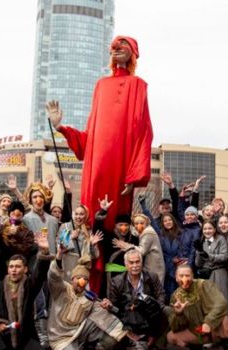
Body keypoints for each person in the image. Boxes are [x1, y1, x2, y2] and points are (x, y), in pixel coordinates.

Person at [45, 35, 153, 234]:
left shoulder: (137, 84)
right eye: (115, 45)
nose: (116, 47)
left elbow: (143, 132)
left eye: (123, 44)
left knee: (116, 219)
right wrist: (60, 127)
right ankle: (89, 251)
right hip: (96, 166)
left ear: (133, 52)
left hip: (121, 165)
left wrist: (133, 176)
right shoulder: (101, 85)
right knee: (91, 215)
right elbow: (89, 137)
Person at [47, 250, 135, 350]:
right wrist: (58, 257)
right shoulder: (62, 289)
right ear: (72, 279)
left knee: (99, 318)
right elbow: (54, 277)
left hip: (77, 332)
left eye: (85, 279)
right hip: (60, 336)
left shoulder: (88, 297)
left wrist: (109, 307)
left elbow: (103, 313)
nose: (81, 282)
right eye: (78, 278)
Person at [166, 265, 228, 350]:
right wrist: (178, 314)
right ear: (176, 278)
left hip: (213, 329)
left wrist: (208, 322)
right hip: (197, 331)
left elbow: (222, 303)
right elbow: (176, 328)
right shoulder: (175, 296)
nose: (184, 279)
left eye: (187, 275)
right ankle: (195, 347)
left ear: (192, 276)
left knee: (224, 319)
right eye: (181, 276)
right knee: (171, 336)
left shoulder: (204, 285)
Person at [105, 249, 168, 350]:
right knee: (108, 343)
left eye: (137, 262)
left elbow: (161, 296)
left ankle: (153, 347)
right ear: (126, 264)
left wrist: (154, 312)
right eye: (131, 262)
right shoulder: (116, 281)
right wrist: (109, 306)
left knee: (167, 311)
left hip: (148, 317)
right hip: (126, 319)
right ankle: (124, 348)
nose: (135, 265)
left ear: (142, 262)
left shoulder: (152, 277)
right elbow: (114, 308)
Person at [114, 213, 165, 284]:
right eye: (136, 223)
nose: (139, 225)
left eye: (141, 223)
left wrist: (127, 245)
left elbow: (142, 251)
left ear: (146, 223)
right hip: (150, 266)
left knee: (154, 287)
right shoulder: (144, 231)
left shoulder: (148, 233)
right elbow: (136, 232)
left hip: (154, 267)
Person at [57, 205, 101, 283]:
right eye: (76, 214)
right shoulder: (66, 227)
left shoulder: (88, 231)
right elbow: (60, 248)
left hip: (82, 269)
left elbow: (95, 256)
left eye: (81, 214)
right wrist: (70, 237)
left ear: (86, 215)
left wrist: (92, 245)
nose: (78, 217)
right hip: (68, 265)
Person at [195, 220, 228, 307]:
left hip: (219, 273)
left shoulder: (220, 239)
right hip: (206, 275)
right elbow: (198, 264)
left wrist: (209, 256)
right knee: (208, 301)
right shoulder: (201, 242)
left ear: (214, 229)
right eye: (205, 229)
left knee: (222, 300)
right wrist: (200, 253)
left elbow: (224, 256)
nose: (207, 231)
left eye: (210, 228)